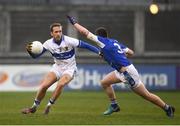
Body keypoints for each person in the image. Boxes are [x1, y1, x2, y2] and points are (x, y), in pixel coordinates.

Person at [67, 16, 175, 117]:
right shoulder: (114, 42)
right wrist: (119, 56)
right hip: (121, 70)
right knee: (104, 82)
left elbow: (84, 32)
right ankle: (114, 105)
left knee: (146, 95)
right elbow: (131, 52)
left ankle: (167, 107)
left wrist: (74, 23)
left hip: (128, 71)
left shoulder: (102, 41)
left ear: (99, 36)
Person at [22, 22, 100, 115]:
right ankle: (34, 108)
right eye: (56, 32)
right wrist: (30, 52)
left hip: (70, 69)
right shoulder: (48, 44)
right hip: (57, 68)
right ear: (51, 33)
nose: (58, 33)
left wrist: (99, 52)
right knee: (43, 86)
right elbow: (36, 56)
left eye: (60, 31)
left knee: (60, 85)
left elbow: (86, 45)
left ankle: (49, 106)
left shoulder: (69, 40)